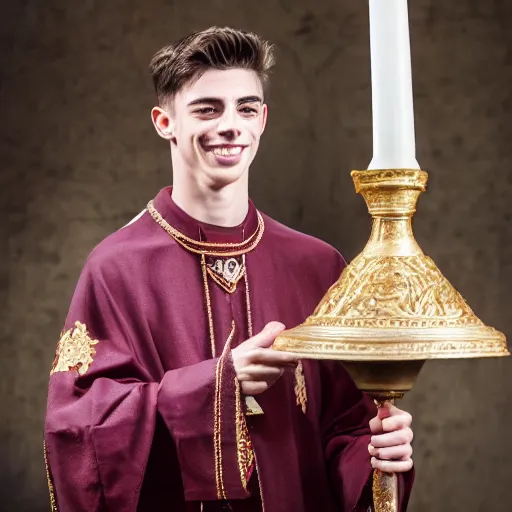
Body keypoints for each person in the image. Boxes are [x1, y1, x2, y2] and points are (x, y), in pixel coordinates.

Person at [44, 27, 414, 512]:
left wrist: (378, 457)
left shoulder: (319, 264)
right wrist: (216, 387)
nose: (230, 125)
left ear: (262, 119)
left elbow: (345, 426)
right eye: (206, 109)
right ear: (164, 122)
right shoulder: (115, 268)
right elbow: (76, 433)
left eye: (245, 107)